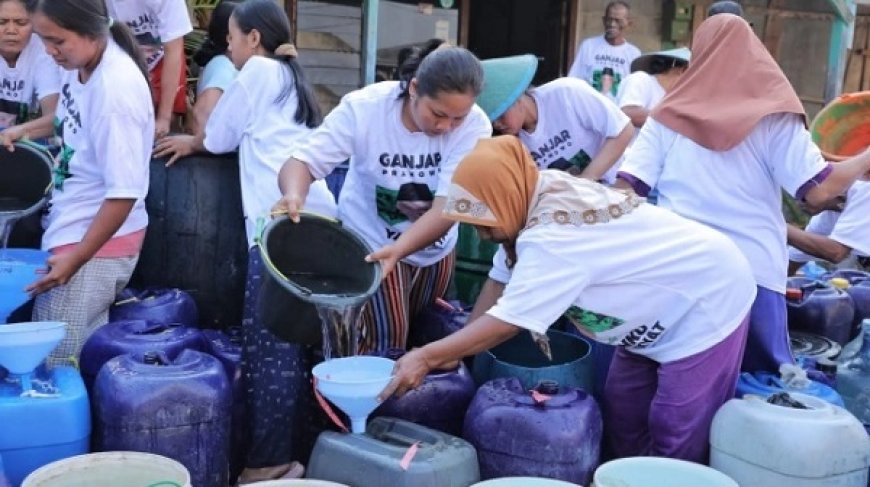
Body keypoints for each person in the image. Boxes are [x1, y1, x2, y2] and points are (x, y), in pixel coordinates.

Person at [379, 136, 756, 463]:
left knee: (674, 426)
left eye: (484, 224)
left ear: (505, 196)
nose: (482, 235)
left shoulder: (553, 236)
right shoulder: (530, 192)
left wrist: (428, 356)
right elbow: (499, 284)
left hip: (704, 298)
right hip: (649, 311)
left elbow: (509, 321)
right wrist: (456, 354)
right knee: (624, 412)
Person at [615, 14, 870, 373]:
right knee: (758, 384)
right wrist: (865, 158)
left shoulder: (666, 116)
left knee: (672, 374)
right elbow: (819, 190)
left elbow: (627, 190)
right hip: (753, 273)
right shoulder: (774, 116)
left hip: (678, 267)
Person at [157, 0, 336, 482]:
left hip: (281, 227)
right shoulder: (293, 78)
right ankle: (308, 455)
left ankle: (270, 463)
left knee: (271, 351)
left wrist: (193, 140)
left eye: (232, 38)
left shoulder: (257, 70)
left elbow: (218, 136)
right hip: (323, 224)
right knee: (308, 351)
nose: (228, 47)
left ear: (254, 39)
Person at [274, 45, 492, 355]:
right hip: (373, 246)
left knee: (428, 336)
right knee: (386, 343)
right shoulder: (365, 110)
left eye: (458, 118)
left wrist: (402, 248)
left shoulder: (476, 125)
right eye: (438, 114)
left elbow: (447, 208)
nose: (446, 127)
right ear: (414, 88)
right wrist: (294, 194)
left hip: (436, 250)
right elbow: (302, 162)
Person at [22, 0, 153, 368]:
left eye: (57, 41)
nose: (49, 51)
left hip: (92, 247)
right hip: (74, 231)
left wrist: (76, 260)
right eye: (43, 39)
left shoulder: (115, 90)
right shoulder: (80, 65)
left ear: (89, 30)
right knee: (76, 357)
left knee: (53, 364)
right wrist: (21, 131)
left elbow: (124, 193)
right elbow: (67, 121)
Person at [477, 54, 632, 182]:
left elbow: (623, 130)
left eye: (501, 115)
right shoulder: (508, 142)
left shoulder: (567, 93)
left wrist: (587, 180)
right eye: (492, 120)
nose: (497, 124)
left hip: (616, 184)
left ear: (516, 97)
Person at [152, 0, 239, 161]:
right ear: (230, 38)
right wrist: (200, 144)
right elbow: (201, 116)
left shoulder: (222, 65)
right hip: (216, 163)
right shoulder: (223, 68)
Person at [105, 0, 192, 138]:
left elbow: (173, 51)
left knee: (168, 121)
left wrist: (164, 118)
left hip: (163, 57)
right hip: (121, 56)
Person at [0, 0, 60, 148]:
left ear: (34, 24)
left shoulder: (44, 52)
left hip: (29, 144)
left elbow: (55, 118)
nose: (11, 30)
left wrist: (18, 131)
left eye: (21, 23)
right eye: (2, 22)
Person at [788, 178, 870, 273]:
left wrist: (781, 227)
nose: (799, 204)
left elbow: (836, 253)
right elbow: (795, 257)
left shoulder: (865, 190)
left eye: (803, 197)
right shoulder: (828, 215)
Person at [567, 1, 641, 100]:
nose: (612, 24)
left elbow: (635, 90)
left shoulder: (634, 54)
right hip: (590, 105)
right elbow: (574, 80)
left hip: (617, 108)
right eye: (609, 20)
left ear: (629, 23)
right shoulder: (589, 46)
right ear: (603, 20)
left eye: (618, 20)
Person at [618, 47, 690, 130]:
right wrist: (676, 120)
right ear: (683, 70)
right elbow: (628, 112)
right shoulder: (641, 79)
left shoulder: (674, 96)